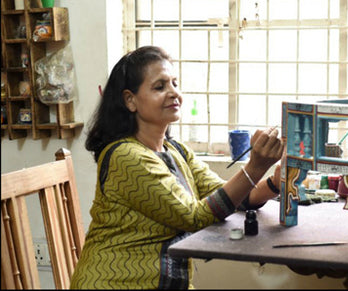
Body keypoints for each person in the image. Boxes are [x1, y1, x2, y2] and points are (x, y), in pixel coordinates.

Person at [70, 47, 284, 288]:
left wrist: (274, 184)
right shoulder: (126, 156)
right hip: (118, 283)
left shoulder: (175, 150)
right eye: (160, 87)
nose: (174, 93)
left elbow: (225, 195)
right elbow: (194, 217)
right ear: (130, 100)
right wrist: (254, 167)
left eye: (174, 83)